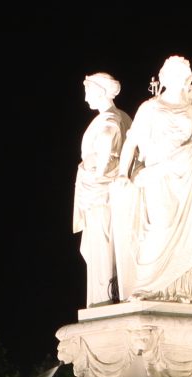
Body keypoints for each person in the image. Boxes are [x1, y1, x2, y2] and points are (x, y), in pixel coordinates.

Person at [113, 55, 192, 304]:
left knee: (189, 237)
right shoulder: (150, 108)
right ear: (164, 77)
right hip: (159, 176)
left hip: (189, 180)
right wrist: (122, 173)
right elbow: (131, 142)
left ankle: (181, 290)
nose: (178, 80)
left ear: (186, 80)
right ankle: (148, 286)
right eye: (172, 75)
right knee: (159, 227)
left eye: (183, 76)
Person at [73, 73, 132, 306]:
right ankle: (112, 293)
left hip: (100, 190)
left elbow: (108, 136)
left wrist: (97, 172)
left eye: (88, 92)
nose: (86, 98)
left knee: (102, 242)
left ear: (100, 92)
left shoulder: (110, 118)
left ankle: (103, 299)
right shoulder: (125, 117)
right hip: (109, 190)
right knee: (112, 241)